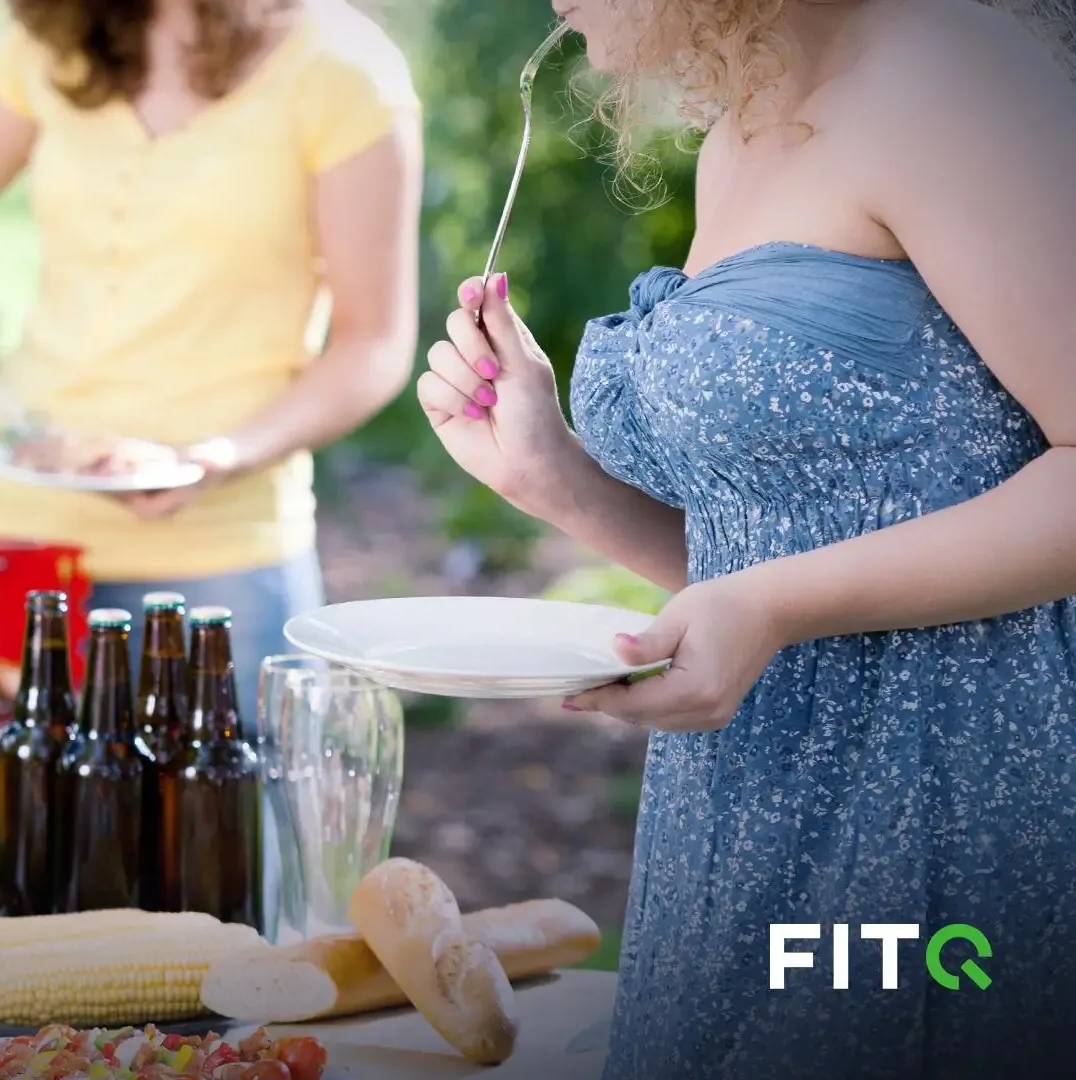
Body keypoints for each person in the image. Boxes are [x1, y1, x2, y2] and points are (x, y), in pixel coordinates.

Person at [418, 0, 1076, 1075]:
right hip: (747, 809)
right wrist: (562, 485)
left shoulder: (951, 75)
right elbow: (789, 547)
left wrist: (772, 607)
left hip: (944, 807)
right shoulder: (746, 129)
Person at [0, 0, 422, 723]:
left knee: (224, 832)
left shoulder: (342, 70)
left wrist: (220, 456)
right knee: (23, 827)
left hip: (220, 559)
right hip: (19, 538)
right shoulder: (57, 40)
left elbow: (372, 346)